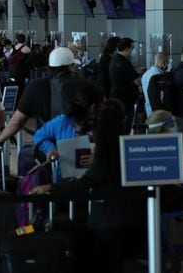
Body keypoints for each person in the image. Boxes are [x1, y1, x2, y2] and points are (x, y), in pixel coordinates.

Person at [31, 99, 143, 273]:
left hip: (107, 219)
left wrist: (51, 188)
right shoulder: (128, 146)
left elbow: (86, 183)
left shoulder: (105, 150)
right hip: (130, 216)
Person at [0, 46, 84, 146]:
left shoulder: (36, 87)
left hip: (47, 148)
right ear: (70, 66)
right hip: (78, 149)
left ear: (50, 67)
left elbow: (17, 121)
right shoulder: (86, 86)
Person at [32, 83, 104, 178]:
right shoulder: (63, 122)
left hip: (97, 179)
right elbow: (39, 135)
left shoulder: (105, 123)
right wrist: (51, 150)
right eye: (103, 103)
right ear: (93, 107)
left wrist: (98, 159)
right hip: (67, 179)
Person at [108, 38, 143, 127]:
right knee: (125, 125)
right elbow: (135, 80)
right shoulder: (123, 62)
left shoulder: (116, 59)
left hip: (118, 97)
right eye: (132, 48)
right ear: (127, 48)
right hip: (125, 99)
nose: (133, 50)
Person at [141, 52, 169, 118]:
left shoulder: (146, 74)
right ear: (163, 64)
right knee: (168, 126)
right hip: (159, 111)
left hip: (149, 109)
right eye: (167, 63)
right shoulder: (158, 76)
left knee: (153, 127)